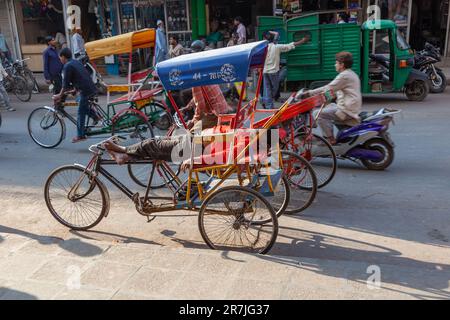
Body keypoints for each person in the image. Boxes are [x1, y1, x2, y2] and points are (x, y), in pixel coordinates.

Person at [299, 52, 362, 145]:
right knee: (327, 106)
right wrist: (323, 98)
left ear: (342, 65)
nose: (335, 65)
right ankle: (325, 133)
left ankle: (330, 139)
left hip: (347, 110)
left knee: (318, 114)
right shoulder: (350, 74)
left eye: (336, 63)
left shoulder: (344, 76)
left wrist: (309, 93)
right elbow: (335, 91)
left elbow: (328, 88)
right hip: (348, 106)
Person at [179, 40, 232, 131]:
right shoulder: (206, 70)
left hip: (216, 114)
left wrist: (193, 121)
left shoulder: (196, 77)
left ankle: (199, 144)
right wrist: (189, 106)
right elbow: (199, 98)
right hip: (221, 109)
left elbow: (201, 105)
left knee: (192, 133)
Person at [54, 48, 98, 143]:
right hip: (90, 88)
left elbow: (65, 85)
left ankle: (80, 135)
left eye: (60, 58)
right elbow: (79, 77)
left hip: (85, 90)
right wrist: (74, 89)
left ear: (63, 57)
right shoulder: (75, 62)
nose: (60, 60)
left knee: (80, 112)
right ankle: (95, 116)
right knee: (80, 101)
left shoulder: (67, 66)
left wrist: (59, 95)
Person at [262, 31, 310, 109]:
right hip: (273, 72)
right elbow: (289, 45)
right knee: (274, 89)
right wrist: (302, 41)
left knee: (267, 88)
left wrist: (269, 33)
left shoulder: (264, 48)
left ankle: (266, 102)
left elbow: (276, 34)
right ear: (273, 39)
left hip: (265, 71)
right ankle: (268, 103)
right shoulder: (277, 47)